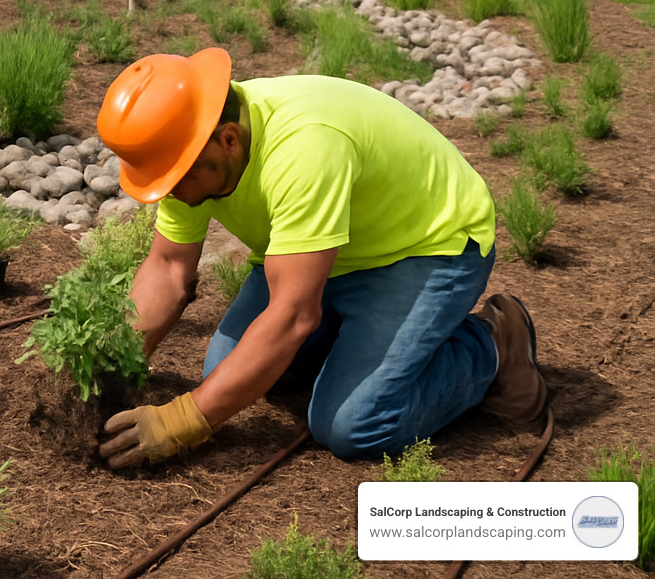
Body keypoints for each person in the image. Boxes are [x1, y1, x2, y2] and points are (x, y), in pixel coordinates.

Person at [92, 47, 547, 467]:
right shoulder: (188, 149)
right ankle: (358, 351)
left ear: (229, 141)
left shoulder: (303, 149)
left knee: (352, 426)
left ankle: (490, 345)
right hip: (325, 251)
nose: (168, 193)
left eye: (176, 181)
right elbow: (170, 269)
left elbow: (292, 315)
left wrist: (182, 422)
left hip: (424, 248)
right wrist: (113, 368)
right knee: (225, 374)